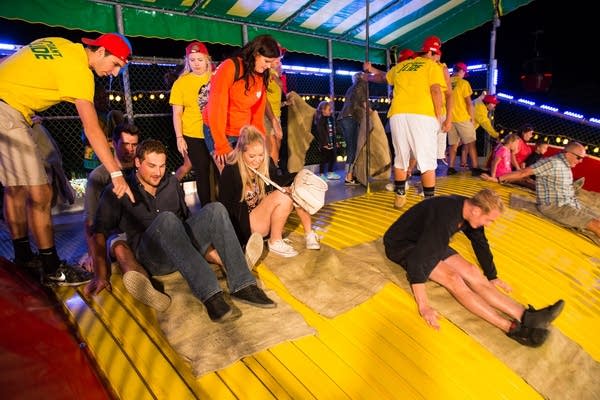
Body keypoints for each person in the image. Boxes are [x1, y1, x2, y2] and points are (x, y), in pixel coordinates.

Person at [0, 33, 134, 285]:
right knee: (39, 193)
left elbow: (15, 60)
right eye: (116, 64)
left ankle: (23, 256)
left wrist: (22, 101)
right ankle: (51, 268)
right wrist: (116, 173)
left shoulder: (62, 44)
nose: (114, 73)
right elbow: (93, 128)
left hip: (18, 109)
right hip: (7, 111)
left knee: (18, 185)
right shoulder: (81, 72)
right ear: (102, 51)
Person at [91, 139, 275, 322]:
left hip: (181, 249)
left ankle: (243, 285)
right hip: (152, 258)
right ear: (138, 163)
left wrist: (208, 247)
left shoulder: (171, 183)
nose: (158, 173)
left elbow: (188, 220)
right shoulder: (119, 190)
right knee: (167, 219)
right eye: (152, 166)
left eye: (162, 166)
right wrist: (100, 274)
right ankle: (211, 295)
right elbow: (99, 231)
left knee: (216, 209)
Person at [383, 188, 565, 347]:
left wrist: (492, 276)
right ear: (477, 210)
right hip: (403, 245)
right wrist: (424, 306)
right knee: (454, 279)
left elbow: (480, 243)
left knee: (471, 271)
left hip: (426, 238)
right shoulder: (446, 218)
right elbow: (418, 262)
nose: (488, 224)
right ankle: (511, 328)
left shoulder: (469, 210)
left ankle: (527, 316)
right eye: (489, 220)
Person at [82, 122, 172, 311]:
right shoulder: (99, 177)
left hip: (142, 228)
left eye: (134, 145)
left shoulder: (141, 169)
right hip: (117, 232)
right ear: (112, 144)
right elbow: (92, 223)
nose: (130, 150)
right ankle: (147, 289)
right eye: (125, 144)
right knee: (121, 247)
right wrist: (98, 264)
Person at [364, 35, 447, 208]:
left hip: (398, 115)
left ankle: (400, 195)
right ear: (432, 52)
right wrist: (439, 117)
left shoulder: (402, 65)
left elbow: (383, 78)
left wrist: (369, 74)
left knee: (401, 156)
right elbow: (436, 91)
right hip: (422, 115)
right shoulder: (432, 66)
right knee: (427, 160)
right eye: (437, 54)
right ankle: (429, 201)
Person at [219, 125, 320, 258]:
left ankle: (309, 233)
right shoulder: (231, 171)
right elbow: (224, 209)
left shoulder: (265, 163)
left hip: (262, 221)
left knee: (293, 190)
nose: (257, 160)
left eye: (261, 155)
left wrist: (298, 177)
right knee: (283, 195)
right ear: (241, 152)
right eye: (252, 156)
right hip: (245, 227)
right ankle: (275, 241)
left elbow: (277, 181)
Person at [203, 34, 281, 172]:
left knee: (249, 175)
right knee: (230, 175)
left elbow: (258, 110)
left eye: (272, 62)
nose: (269, 66)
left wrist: (259, 139)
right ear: (256, 53)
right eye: (266, 61)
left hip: (241, 131)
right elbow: (216, 107)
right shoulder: (231, 67)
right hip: (219, 130)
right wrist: (221, 143)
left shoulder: (262, 75)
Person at [497, 141, 600, 240]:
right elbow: (523, 173)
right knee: (596, 224)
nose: (581, 161)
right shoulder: (552, 163)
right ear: (568, 154)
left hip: (568, 204)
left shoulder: (565, 165)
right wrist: (498, 179)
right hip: (556, 207)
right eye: (579, 158)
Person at [169, 41, 216, 207]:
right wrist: (179, 137)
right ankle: (207, 210)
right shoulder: (181, 83)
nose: (196, 63)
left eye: (200, 59)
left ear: (207, 60)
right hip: (193, 133)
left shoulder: (215, 77)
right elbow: (177, 113)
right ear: (187, 61)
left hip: (215, 131)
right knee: (202, 170)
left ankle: (224, 207)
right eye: (192, 60)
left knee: (220, 169)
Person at [447, 62, 479, 175]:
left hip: (450, 118)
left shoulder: (447, 82)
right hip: (462, 117)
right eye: (464, 72)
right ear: (461, 71)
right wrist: (472, 118)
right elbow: (469, 103)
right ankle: (475, 168)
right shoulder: (463, 83)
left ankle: (450, 167)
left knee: (453, 144)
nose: (464, 74)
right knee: (471, 143)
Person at [337, 72, 367, 186]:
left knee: (351, 147)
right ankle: (348, 177)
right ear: (361, 77)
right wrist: (371, 112)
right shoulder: (361, 85)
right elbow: (363, 102)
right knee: (352, 148)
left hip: (343, 118)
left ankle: (350, 174)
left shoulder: (351, 88)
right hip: (351, 118)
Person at [264, 44, 287, 167]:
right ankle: (270, 179)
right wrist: (273, 120)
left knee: (276, 146)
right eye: (276, 57)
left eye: (280, 57)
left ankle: (272, 175)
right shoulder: (266, 72)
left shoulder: (276, 74)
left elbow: (275, 97)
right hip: (266, 115)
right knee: (272, 146)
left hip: (276, 114)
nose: (279, 61)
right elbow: (263, 97)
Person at [314, 101, 340, 180]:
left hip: (331, 143)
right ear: (323, 110)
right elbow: (321, 133)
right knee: (324, 159)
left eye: (331, 109)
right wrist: (324, 143)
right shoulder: (320, 120)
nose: (331, 111)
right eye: (329, 110)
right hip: (324, 144)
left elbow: (333, 132)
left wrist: (335, 142)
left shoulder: (331, 119)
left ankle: (330, 173)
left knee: (332, 158)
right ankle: (321, 174)